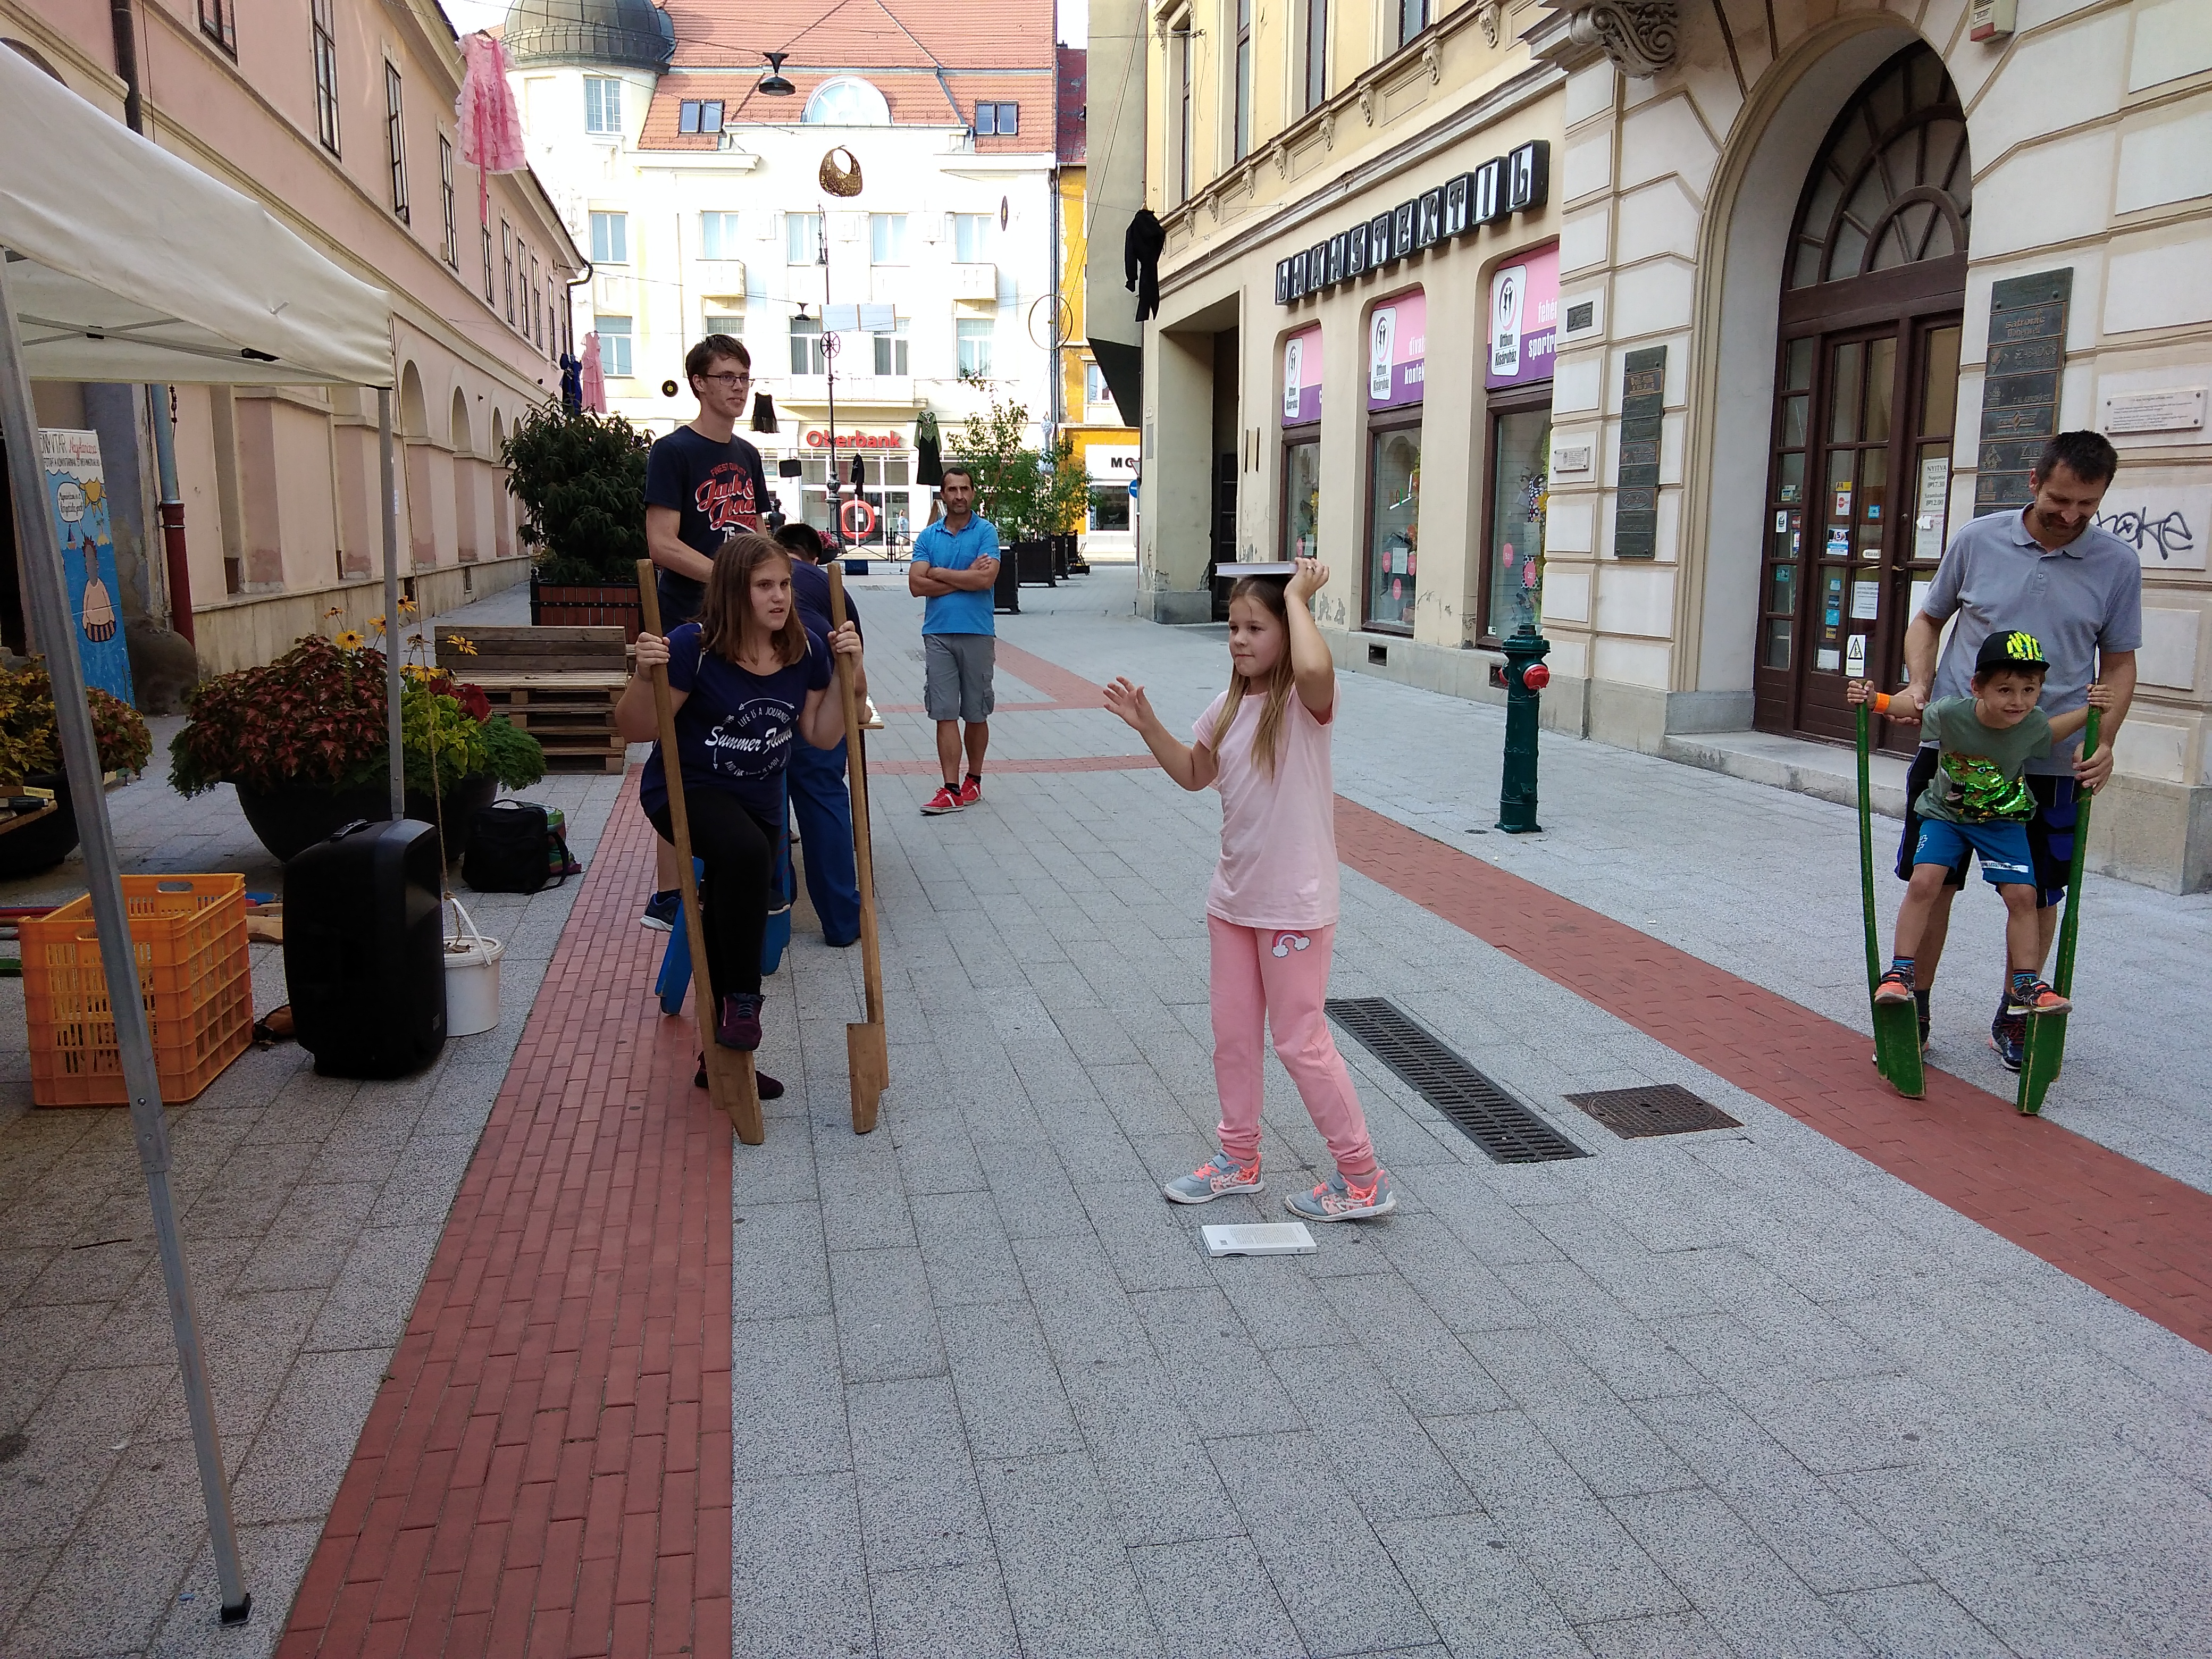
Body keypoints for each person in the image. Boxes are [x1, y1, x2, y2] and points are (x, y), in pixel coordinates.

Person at [1105, 558, 1396, 1223]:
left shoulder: (1303, 705)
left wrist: (1297, 597)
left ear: (1286, 633)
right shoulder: (1227, 707)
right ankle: (1238, 1160)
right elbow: (1193, 773)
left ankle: (1362, 1178)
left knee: (1299, 1041)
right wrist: (1148, 725)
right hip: (1233, 904)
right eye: (1233, 626)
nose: (1237, 639)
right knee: (1233, 1038)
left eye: (1254, 628)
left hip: (1293, 905)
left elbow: (1315, 668)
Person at [1889, 431, 2139, 1069]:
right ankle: (1913, 1007)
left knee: (2038, 893)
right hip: (1955, 751)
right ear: (2033, 482)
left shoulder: (2116, 563)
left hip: (2049, 761)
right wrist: (1918, 684)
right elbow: (1927, 620)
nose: (2071, 516)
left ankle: (2015, 1014)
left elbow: (2117, 663)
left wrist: (2106, 741)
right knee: (1933, 882)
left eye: (2087, 505)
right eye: (2059, 500)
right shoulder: (1978, 539)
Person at [615, 534, 861, 1093]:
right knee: (747, 856)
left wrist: (851, 675)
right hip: (687, 791)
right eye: (764, 586)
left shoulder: (803, 649)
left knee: (732, 897)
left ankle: (721, 1058)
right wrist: (644, 676)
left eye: (784, 585)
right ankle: (744, 1001)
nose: (780, 597)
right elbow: (635, 728)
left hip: (758, 799)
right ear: (733, 590)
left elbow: (822, 735)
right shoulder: (694, 647)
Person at [1851, 633, 2113, 1026]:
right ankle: (1901, 971)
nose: (2018, 701)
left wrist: (2092, 711)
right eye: (2005, 690)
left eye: (2029, 690)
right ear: (1978, 687)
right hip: (1946, 816)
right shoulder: (1952, 713)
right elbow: (1916, 709)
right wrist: (1875, 701)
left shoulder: (2032, 724)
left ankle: (2026, 982)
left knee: (2024, 895)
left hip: (2003, 821)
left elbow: (2054, 730)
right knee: (1925, 881)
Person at [638, 333, 771, 932]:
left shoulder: (747, 454)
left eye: (744, 377)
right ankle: (669, 894)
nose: (738, 388)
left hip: (738, 621)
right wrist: (729, 576)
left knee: (734, 741)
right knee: (678, 746)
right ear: (698, 382)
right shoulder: (673, 452)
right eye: (726, 377)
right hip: (687, 619)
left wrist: (774, 579)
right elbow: (661, 544)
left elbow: (755, 531)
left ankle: (725, 870)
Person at [774, 522, 865, 946]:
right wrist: (856, 710)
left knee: (765, 801)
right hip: (821, 682)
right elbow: (854, 670)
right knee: (823, 796)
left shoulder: (744, 579)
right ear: (813, 557)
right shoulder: (826, 584)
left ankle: (776, 907)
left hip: (759, 691)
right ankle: (842, 921)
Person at [908, 465, 1001, 814]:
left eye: (965, 489)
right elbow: (916, 585)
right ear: (943, 495)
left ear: (972, 493)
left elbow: (985, 581)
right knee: (944, 712)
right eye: (952, 490)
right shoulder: (928, 537)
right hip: (937, 633)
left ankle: (973, 780)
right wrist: (965, 577)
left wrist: (940, 574)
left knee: (976, 712)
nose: (959, 496)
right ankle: (950, 789)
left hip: (977, 632)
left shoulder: (986, 532)